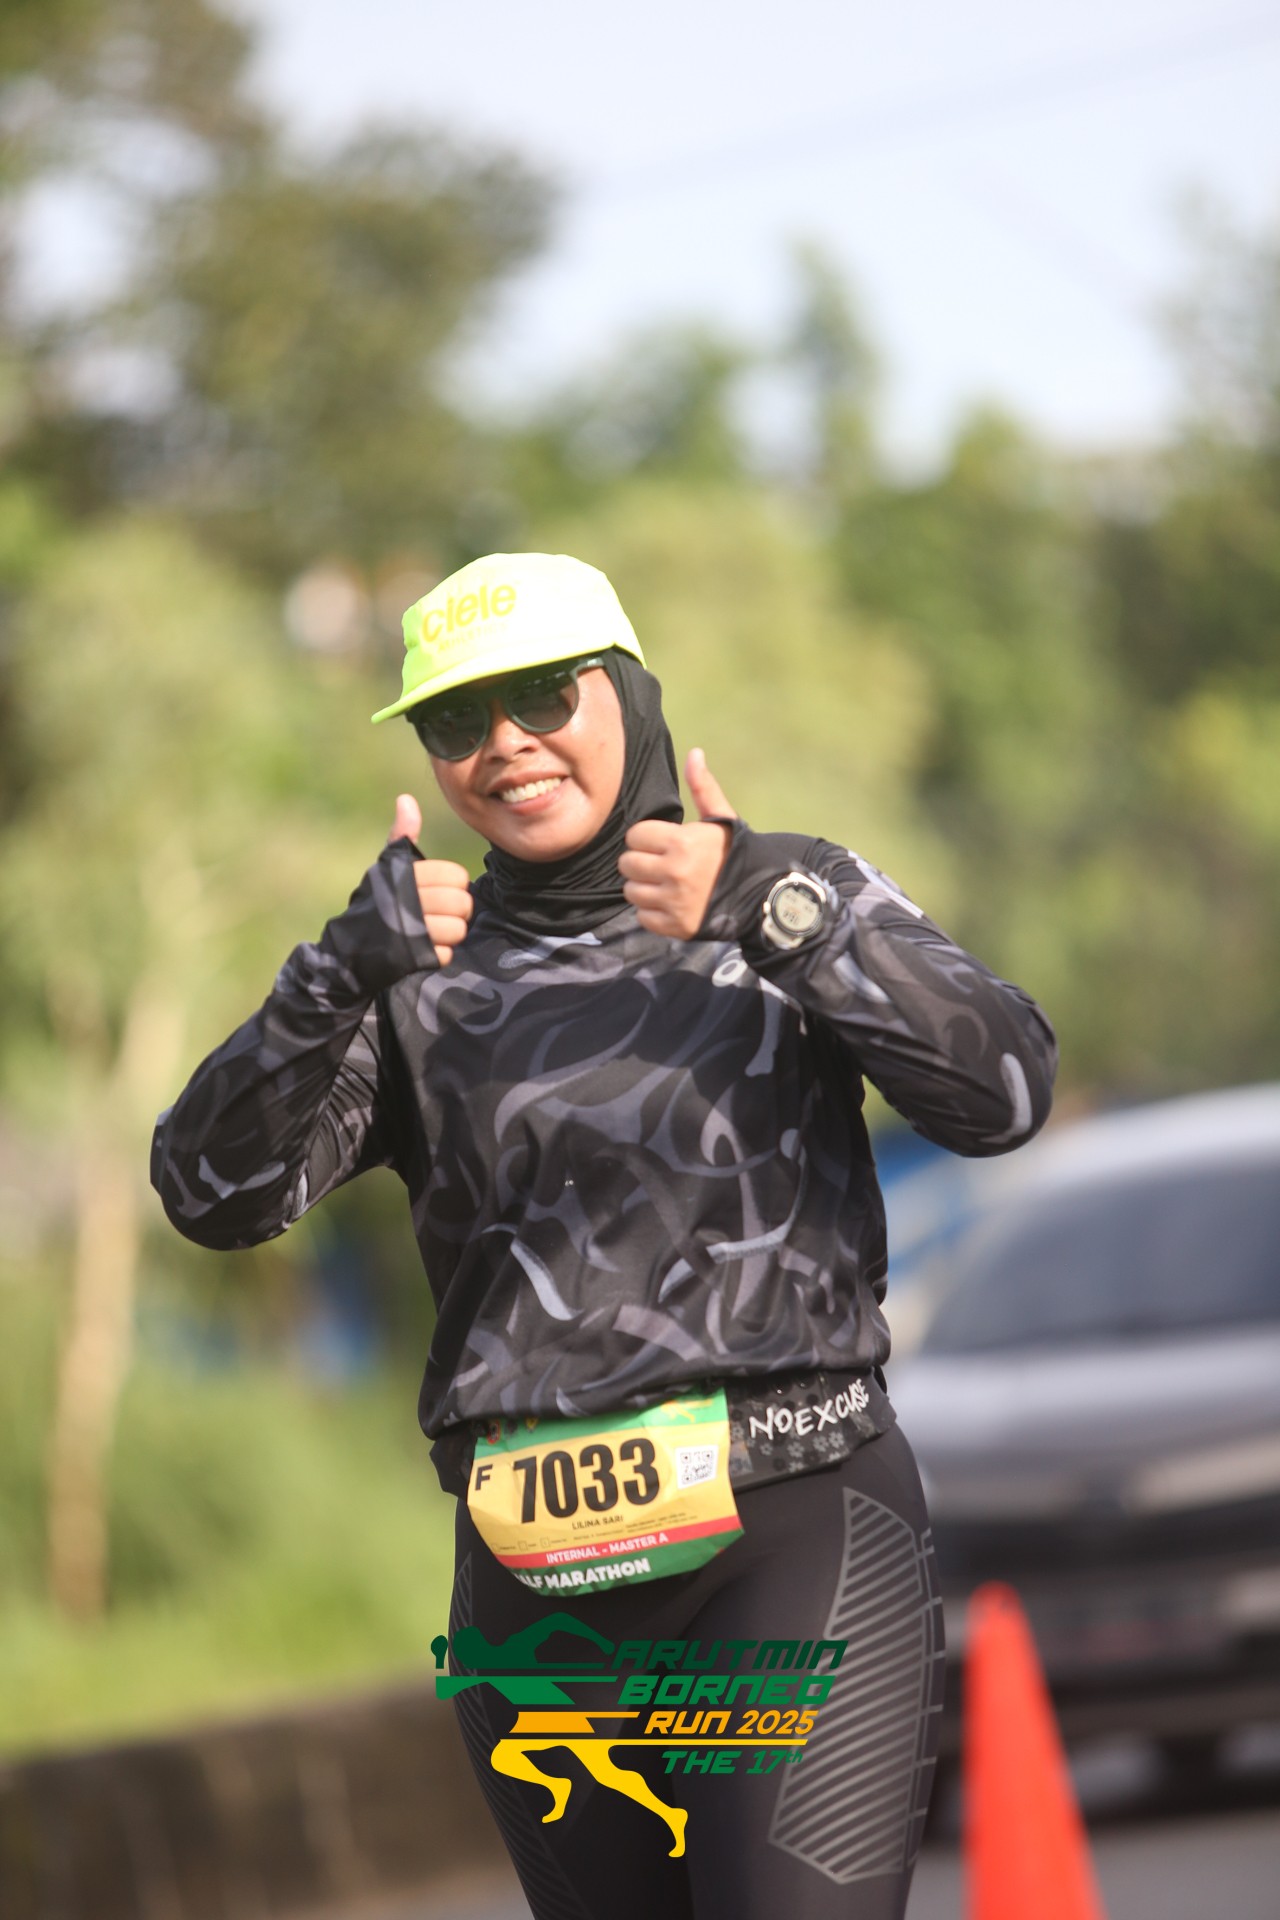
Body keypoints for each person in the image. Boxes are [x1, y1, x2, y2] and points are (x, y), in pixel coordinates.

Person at [151, 551, 1057, 1920]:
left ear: (627, 694)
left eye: (542, 696)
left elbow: (1007, 1093)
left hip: (792, 1544)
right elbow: (212, 1197)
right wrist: (328, 977)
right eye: (459, 718)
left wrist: (777, 907)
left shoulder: (784, 902)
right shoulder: (411, 986)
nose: (505, 743)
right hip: (542, 1608)